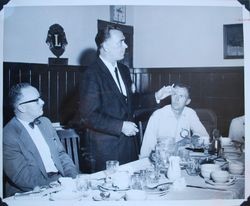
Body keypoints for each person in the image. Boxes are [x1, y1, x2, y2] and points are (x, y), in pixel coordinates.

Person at [79, 25, 169, 172]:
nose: (126, 46)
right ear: (106, 46)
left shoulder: (124, 70)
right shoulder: (91, 74)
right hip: (105, 151)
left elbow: (131, 102)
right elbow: (88, 116)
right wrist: (120, 126)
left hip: (128, 146)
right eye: (121, 42)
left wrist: (156, 96)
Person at [3, 83, 78, 197]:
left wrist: (71, 178)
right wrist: (57, 186)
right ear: (22, 107)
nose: (42, 102)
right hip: (29, 193)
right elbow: (22, 177)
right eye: (36, 100)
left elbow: (61, 154)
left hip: (61, 182)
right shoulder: (7, 135)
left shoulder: (45, 122)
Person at [140, 83, 209, 158]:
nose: (176, 99)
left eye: (181, 96)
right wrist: (179, 144)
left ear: (187, 101)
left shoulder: (190, 113)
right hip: (162, 160)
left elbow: (204, 137)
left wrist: (191, 139)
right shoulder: (158, 115)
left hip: (183, 161)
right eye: (174, 94)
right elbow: (146, 150)